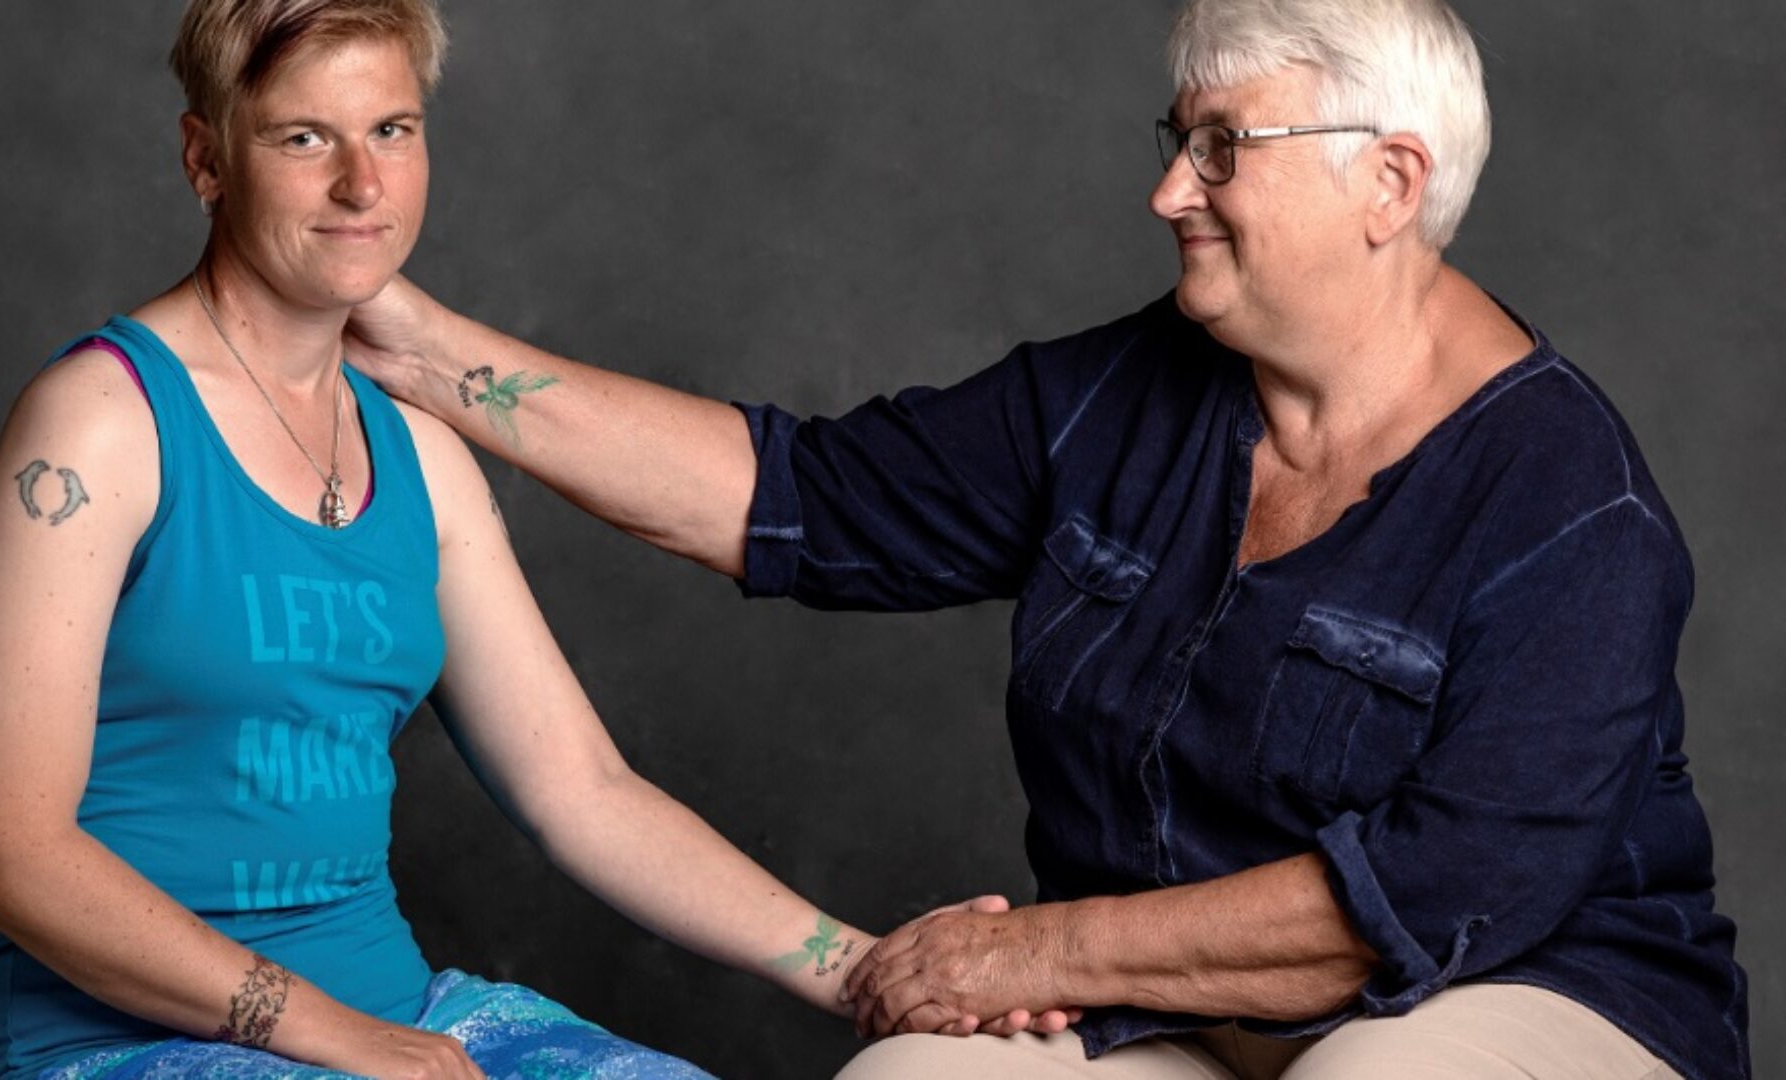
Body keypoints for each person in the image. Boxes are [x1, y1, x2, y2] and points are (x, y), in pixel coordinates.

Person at [339, 0, 1750, 1077]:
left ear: (1387, 183)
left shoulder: (1573, 507)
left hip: (1512, 998)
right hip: (1179, 1010)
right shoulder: (1116, 398)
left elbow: (1423, 906)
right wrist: (414, 346)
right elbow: (794, 498)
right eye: (1176, 142)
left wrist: (1029, 949)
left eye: (1222, 149)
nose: (1169, 195)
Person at [0, 2, 1067, 1076]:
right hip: (113, 1046)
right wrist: (336, 1037)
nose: (360, 182)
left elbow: (580, 788)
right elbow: (2, 846)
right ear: (206, 158)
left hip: (396, 1019)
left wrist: (860, 967)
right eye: (303, 137)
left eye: (392, 129)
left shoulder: (422, 460)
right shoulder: (100, 424)